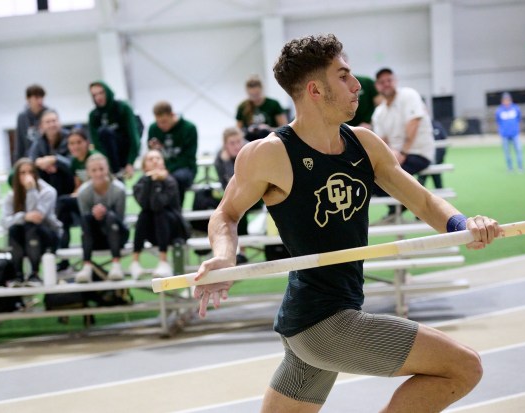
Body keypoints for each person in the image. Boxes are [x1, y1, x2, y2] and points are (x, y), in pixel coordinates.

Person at [193, 33, 501, 412]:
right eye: (343, 76)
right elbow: (226, 213)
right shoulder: (270, 154)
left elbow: (421, 198)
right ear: (315, 90)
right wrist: (224, 257)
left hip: (309, 322)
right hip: (325, 324)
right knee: (463, 367)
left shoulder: (364, 144)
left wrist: (461, 225)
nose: (357, 85)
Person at [371, 67, 436, 223]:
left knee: (383, 178)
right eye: (382, 82)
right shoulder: (379, 112)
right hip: (396, 156)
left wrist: (403, 153)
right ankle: (400, 208)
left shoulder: (408, 95)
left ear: (396, 81)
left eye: (389, 80)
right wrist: (391, 153)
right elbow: (382, 140)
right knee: (370, 178)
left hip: (417, 152)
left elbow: (413, 124)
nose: (386, 84)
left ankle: (418, 205)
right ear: (377, 86)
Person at [0, 158, 62, 287]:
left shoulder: (48, 192)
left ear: (35, 174)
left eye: (30, 172)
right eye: (22, 173)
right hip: (25, 239)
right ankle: (18, 276)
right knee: (14, 229)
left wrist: (31, 190)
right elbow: (4, 222)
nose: (27, 176)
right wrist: (24, 216)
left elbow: (37, 217)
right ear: (17, 176)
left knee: (31, 226)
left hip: (48, 236)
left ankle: (34, 274)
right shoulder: (11, 196)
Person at [130, 149, 189, 280]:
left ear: (163, 163)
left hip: (174, 229)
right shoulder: (140, 184)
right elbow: (145, 204)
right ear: (144, 166)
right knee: (143, 215)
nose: (155, 161)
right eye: (150, 159)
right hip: (154, 230)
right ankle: (135, 261)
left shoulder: (170, 181)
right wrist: (149, 180)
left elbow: (157, 205)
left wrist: (156, 182)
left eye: (158, 158)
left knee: (159, 212)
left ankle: (163, 260)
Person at [75, 154, 130, 283]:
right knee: (86, 219)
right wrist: (94, 215)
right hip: (95, 237)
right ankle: (87, 265)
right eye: (94, 170)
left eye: (101, 169)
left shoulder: (119, 189)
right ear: (88, 172)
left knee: (110, 217)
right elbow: (85, 219)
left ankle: (116, 264)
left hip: (117, 234)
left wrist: (105, 213)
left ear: (107, 169)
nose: (98, 173)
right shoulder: (83, 192)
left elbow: (120, 218)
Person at [55, 128, 99, 272]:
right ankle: (63, 257)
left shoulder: (95, 158)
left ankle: (53, 228)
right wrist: (76, 193)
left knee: (62, 202)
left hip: (96, 200)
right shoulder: (74, 162)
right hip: (82, 198)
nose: (75, 146)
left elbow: (101, 184)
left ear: (86, 143)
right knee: (64, 215)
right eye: (71, 143)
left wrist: (79, 193)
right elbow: (77, 185)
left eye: (78, 142)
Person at [147, 101, 198, 206]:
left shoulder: (189, 128)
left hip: (185, 169)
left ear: (172, 115)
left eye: (164, 121)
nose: (161, 125)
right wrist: (153, 149)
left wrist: (167, 170)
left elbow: (188, 158)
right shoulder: (153, 128)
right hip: (161, 168)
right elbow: (151, 153)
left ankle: (176, 212)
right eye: (158, 122)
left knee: (175, 179)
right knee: (147, 180)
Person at [213, 126, 252, 263]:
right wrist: (225, 162)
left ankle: (241, 251)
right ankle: (229, 252)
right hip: (236, 195)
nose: (237, 146)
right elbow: (229, 185)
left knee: (240, 203)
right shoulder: (219, 158)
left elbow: (247, 182)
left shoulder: (250, 150)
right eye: (232, 143)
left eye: (238, 141)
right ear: (225, 145)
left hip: (256, 191)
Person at [88, 81, 141, 179]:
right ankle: (114, 171)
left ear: (107, 91)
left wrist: (130, 162)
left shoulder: (123, 107)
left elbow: (134, 137)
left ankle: (117, 170)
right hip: (108, 157)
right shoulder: (93, 115)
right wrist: (103, 165)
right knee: (103, 132)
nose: (99, 97)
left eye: (101, 93)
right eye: (95, 95)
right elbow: (96, 144)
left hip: (125, 151)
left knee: (105, 131)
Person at [28, 109, 75, 197]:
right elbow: (31, 159)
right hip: (46, 182)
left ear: (59, 122)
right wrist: (41, 163)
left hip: (68, 182)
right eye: (48, 122)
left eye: (54, 121)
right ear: (41, 126)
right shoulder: (39, 141)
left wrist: (54, 160)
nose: (52, 124)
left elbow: (73, 162)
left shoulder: (70, 137)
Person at [236, 76, 288, 141]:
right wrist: (248, 130)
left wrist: (268, 129)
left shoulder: (273, 104)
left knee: (263, 133)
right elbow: (238, 131)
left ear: (262, 89)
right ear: (247, 92)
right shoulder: (242, 107)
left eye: (257, 94)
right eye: (251, 95)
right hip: (250, 141)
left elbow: (285, 128)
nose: (255, 97)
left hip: (271, 139)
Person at [13, 84, 48, 162]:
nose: (40, 101)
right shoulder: (22, 117)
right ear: (28, 99)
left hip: (45, 158)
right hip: (29, 159)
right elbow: (20, 142)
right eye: (36, 97)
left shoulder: (48, 113)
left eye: (41, 97)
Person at [495, 92, 524, 173]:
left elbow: (519, 118)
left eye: (508, 100)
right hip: (505, 135)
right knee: (507, 153)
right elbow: (498, 121)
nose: (506, 101)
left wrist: (516, 128)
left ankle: (520, 167)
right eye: (505, 100)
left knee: (518, 150)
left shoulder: (516, 108)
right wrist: (501, 131)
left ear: (510, 100)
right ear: (502, 101)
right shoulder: (499, 110)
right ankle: (510, 168)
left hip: (515, 134)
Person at [418, 117, 449, 189]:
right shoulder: (419, 127)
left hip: (436, 161)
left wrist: (439, 160)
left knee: (438, 184)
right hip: (423, 162)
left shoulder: (437, 125)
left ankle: (441, 199)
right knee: (420, 185)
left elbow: (443, 143)